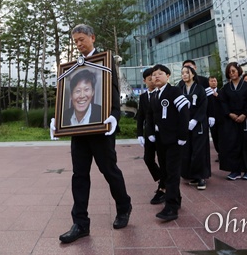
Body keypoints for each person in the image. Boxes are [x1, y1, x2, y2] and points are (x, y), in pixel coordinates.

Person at [56, 24, 131, 244]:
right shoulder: (72, 67)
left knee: (109, 170)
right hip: (79, 131)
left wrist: (114, 118)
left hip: (101, 129)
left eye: (81, 39)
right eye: (75, 41)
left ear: (92, 37)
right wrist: (59, 119)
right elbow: (67, 95)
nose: (78, 44)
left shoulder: (104, 61)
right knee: (79, 175)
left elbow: (114, 96)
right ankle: (80, 223)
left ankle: (124, 207)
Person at [150, 64, 190, 221]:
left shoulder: (174, 91)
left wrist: (182, 135)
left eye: (160, 74)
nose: (156, 76)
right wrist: (152, 133)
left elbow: (184, 111)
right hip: (161, 140)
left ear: (168, 76)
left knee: (173, 173)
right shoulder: (154, 95)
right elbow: (153, 117)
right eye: (154, 75)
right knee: (166, 172)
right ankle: (176, 200)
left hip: (174, 140)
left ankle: (171, 207)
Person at [218, 62, 247, 181]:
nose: (232, 73)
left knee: (246, 144)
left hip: (245, 119)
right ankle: (234, 170)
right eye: (229, 72)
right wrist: (230, 114)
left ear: (239, 71)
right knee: (232, 144)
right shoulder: (225, 88)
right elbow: (223, 102)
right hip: (231, 119)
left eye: (233, 71)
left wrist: (244, 114)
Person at [135, 67, 165, 204]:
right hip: (149, 133)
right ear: (145, 81)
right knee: (148, 158)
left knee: (163, 160)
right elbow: (141, 116)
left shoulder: (161, 94)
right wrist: (140, 134)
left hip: (161, 133)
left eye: (155, 77)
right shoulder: (143, 97)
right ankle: (162, 180)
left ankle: (163, 187)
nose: (153, 80)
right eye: (150, 78)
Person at [179, 65, 211, 190]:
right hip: (184, 124)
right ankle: (191, 175)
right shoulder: (180, 89)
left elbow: (204, 106)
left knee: (198, 151)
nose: (184, 75)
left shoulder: (200, 89)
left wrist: (195, 120)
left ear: (192, 74)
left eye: (187, 72)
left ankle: (201, 177)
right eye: (182, 73)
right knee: (187, 151)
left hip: (198, 124)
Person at [208, 76, 222, 160]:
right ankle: (219, 152)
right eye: (212, 81)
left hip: (221, 119)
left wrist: (218, 96)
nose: (214, 82)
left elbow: (225, 103)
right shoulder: (206, 93)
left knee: (222, 137)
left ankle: (223, 153)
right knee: (215, 136)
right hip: (211, 119)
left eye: (215, 81)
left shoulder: (221, 92)